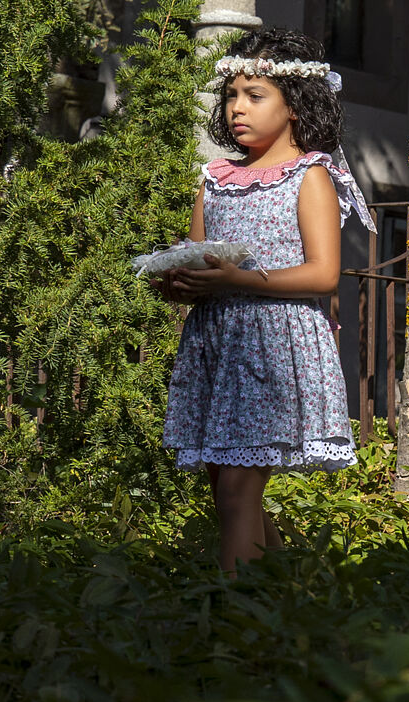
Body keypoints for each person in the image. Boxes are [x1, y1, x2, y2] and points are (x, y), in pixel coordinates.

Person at [151, 28, 372, 571]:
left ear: (295, 105)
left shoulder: (311, 176)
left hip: (272, 352)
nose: (237, 109)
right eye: (231, 95)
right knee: (225, 490)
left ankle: (233, 624)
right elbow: (201, 256)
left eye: (255, 96)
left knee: (235, 493)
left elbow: (324, 276)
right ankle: (285, 600)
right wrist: (178, 280)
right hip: (216, 347)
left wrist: (234, 281)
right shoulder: (215, 179)